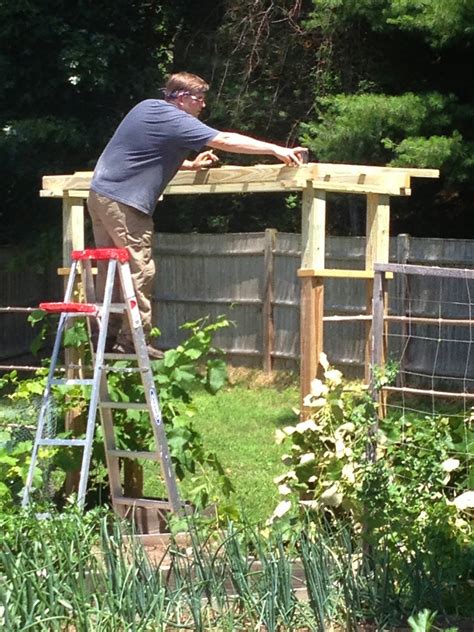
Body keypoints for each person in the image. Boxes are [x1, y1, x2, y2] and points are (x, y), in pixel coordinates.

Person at [87, 71, 307, 358]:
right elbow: (225, 139)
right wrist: (276, 149)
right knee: (139, 268)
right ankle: (133, 340)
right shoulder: (177, 120)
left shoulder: (146, 108)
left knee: (112, 270)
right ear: (180, 99)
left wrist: (189, 166)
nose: (203, 105)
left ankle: (104, 336)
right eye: (198, 99)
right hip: (126, 203)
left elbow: (143, 156)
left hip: (100, 194)